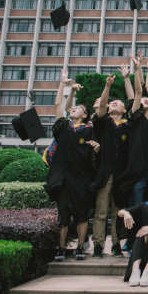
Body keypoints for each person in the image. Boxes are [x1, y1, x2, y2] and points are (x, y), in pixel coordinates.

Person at [44, 69, 101, 262]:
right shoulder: (63, 128)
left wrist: (97, 149)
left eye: (79, 108)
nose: (74, 108)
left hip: (82, 179)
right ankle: (61, 249)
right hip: (63, 179)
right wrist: (63, 84)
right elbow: (58, 104)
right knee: (63, 217)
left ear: (85, 115)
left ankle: (80, 248)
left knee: (82, 216)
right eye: (74, 107)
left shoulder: (89, 130)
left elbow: (96, 154)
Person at [114, 55, 148, 229]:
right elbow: (136, 93)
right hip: (138, 174)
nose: (144, 100)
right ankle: (133, 239)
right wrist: (136, 71)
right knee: (136, 208)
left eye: (147, 99)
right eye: (142, 101)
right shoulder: (136, 120)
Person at [90, 64, 133, 258]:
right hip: (104, 173)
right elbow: (101, 108)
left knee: (118, 213)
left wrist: (127, 79)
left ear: (124, 110)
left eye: (118, 103)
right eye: (111, 103)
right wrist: (107, 86)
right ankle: (98, 245)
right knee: (101, 212)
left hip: (121, 175)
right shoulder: (104, 123)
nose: (114, 104)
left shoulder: (128, 126)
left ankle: (116, 244)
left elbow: (134, 102)